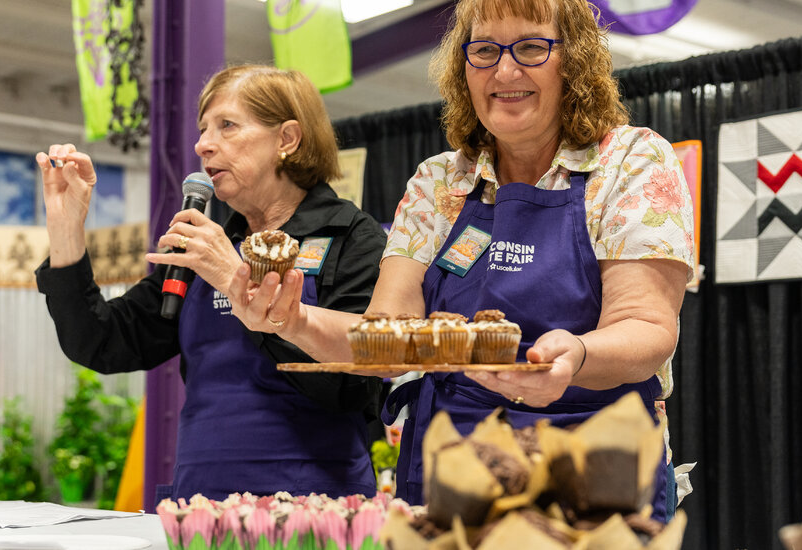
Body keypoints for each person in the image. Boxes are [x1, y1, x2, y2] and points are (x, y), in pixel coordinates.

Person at [226, 0, 694, 522]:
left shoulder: (630, 162)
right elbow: (389, 340)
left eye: (533, 48)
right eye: (486, 50)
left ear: (575, 62)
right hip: (453, 474)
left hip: (593, 473)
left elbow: (646, 329)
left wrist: (577, 357)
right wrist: (294, 320)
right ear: (463, 69)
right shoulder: (439, 183)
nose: (506, 70)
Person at [34, 65, 387, 501]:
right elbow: (101, 342)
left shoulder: (352, 236)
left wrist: (232, 274)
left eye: (227, 126)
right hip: (202, 505)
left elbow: (352, 386)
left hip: (314, 506)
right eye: (203, 129)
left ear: (287, 139)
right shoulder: (203, 248)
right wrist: (66, 226)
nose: (203, 144)